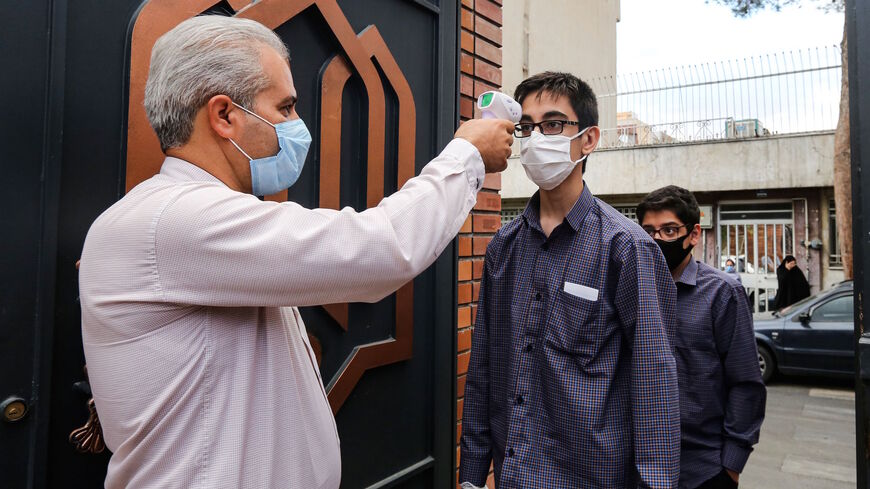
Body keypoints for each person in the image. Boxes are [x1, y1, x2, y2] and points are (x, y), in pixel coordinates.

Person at [77, 15, 514, 489]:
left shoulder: (188, 217)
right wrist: (467, 152)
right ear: (224, 115)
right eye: (285, 107)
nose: (298, 125)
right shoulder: (179, 219)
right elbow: (379, 248)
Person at [459, 72, 681, 489]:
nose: (538, 137)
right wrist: (472, 475)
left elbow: (654, 383)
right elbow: (484, 367)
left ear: (589, 139)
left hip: (590, 476)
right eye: (528, 126)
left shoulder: (627, 248)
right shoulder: (503, 247)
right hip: (514, 475)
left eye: (554, 124)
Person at [637, 186, 766, 489]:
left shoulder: (722, 293)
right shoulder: (633, 289)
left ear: (693, 234)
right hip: (638, 465)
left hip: (702, 470)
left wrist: (730, 467)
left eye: (669, 230)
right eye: (648, 232)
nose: (658, 240)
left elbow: (746, 383)